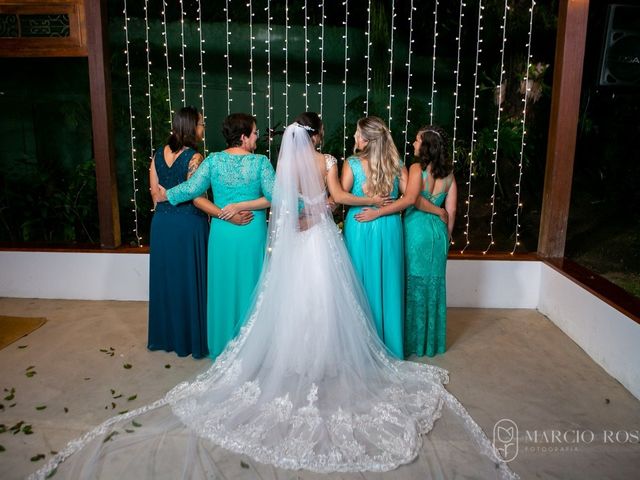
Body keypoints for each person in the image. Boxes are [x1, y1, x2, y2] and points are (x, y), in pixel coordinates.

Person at [31, 123, 515, 480]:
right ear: (314, 140)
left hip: (289, 238)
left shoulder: (275, 164)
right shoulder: (321, 163)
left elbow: (285, 202)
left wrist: (173, 196)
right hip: (321, 238)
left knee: (288, 300)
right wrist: (321, 213)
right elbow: (318, 202)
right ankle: (328, 357)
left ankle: (293, 357)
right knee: (330, 300)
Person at [161, 113, 275, 359]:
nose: (257, 137)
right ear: (244, 137)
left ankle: (223, 346)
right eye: (255, 132)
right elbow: (275, 196)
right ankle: (253, 348)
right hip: (251, 230)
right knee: (251, 285)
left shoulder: (213, 161)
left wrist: (167, 194)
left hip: (222, 231)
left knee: (222, 286)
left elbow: (192, 191)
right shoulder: (261, 162)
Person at [352, 125, 456, 357]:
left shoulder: (417, 169)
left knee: (409, 283)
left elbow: (412, 200)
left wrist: (377, 212)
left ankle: (410, 342)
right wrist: (445, 229)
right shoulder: (449, 174)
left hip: (416, 230)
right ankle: (432, 344)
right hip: (438, 234)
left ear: (427, 145)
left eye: (417, 140)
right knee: (434, 285)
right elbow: (451, 210)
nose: (413, 143)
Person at [147, 106, 210, 358]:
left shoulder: (156, 155)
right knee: (190, 281)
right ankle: (192, 339)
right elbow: (196, 194)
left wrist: (165, 197)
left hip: (162, 225)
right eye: (201, 123)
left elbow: (156, 195)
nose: (203, 128)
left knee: (167, 281)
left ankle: (167, 337)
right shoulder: (195, 158)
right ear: (190, 127)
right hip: (189, 225)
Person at [341, 116, 405, 358]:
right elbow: (408, 199)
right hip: (388, 225)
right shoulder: (396, 164)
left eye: (358, 134)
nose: (355, 138)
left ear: (367, 140)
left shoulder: (352, 164)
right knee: (387, 280)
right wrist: (381, 209)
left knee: (357, 282)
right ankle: (388, 344)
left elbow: (342, 196)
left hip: (360, 224)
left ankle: (360, 350)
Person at [292, 112, 388, 211]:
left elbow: (279, 198)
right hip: (318, 222)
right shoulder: (328, 161)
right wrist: (372, 201)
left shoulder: (284, 162)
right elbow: (338, 197)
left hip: (289, 221)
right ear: (316, 136)